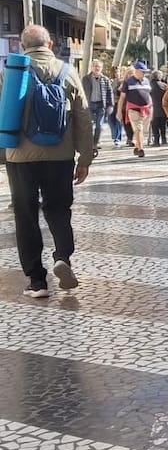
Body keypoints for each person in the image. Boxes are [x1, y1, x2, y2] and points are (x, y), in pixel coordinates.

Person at [2, 26, 93, 297]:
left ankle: (37, 281)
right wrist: (85, 158)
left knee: (25, 215)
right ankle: (62, 256)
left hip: (20, 157)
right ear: (50, 44)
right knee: (58, 209)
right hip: (60, 156)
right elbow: (83, 118)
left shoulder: (11, 72)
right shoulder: (68, 71)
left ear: (21, 45)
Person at [120, 62, 153, 158]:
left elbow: (148, 94)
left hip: (146, 109)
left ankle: (137, 144)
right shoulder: (128, 82)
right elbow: (122, 97)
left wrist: (151, 105)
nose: (144, 73)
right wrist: (119, 111)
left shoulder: (147, 81)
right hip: (133, 109)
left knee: (143, 130)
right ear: (137, 71)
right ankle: (141, 149)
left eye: (145, 72)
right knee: (139, 129)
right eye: (142, 71)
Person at [80, 60, 113, 157]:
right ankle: (89, 143)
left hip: (100, 105)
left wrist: (110, 105)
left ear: (101, 68)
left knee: (99, 126)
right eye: (95, 66)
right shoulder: (86, 79)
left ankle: (95, 143)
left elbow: (109, 92)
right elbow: (81, 91)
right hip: (89, 105)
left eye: (99, 66)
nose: (97, 68)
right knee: (89, 125)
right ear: (92, 67)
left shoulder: (105, 79)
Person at [149, 69, 168, 146]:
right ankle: (164, 139)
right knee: (163, 125)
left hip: (153, 108)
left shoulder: (149, 85)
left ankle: (156, 141)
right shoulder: (164, 86)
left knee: (155, 126)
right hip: (163, 108)